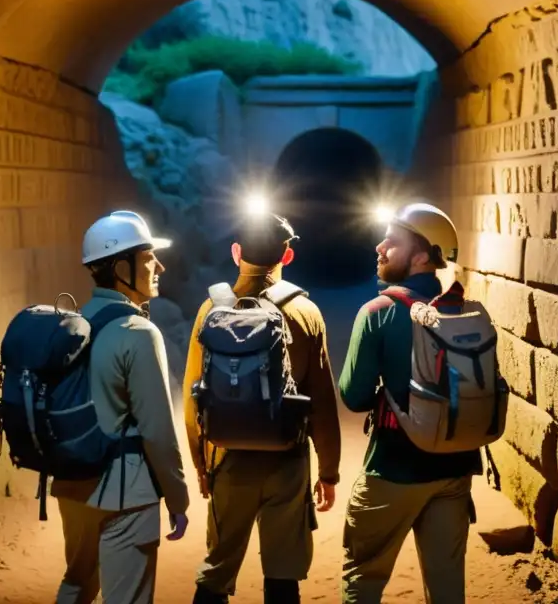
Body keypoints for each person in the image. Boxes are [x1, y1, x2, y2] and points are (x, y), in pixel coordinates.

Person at [183, 211, 343, 604]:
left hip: (227, 459)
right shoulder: (306, 313)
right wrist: (329, 471)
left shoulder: (211, 311)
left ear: (237, 252)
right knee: (283, 574)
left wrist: (202, 466)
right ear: (286, 257)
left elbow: (194, 397)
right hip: (286, 461)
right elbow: (322, 403)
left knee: (217, 571)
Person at [338, 203, 481, 604]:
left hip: (394, 469)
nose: (380, 247)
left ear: (421, 255)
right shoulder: (465, 310)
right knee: (447, 587)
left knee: (362, 578)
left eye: (392, 241)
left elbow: (354, 396)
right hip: (455, 471)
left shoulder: (378, 314)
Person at [50, 210, 190, 604]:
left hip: (73, 486)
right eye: (148, 257)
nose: (159, 266)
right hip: (126, 496)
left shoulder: (70, 325)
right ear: (120, 266)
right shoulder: (139, 333)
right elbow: (158, 431)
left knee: (76, 584)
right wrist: (177, 499)